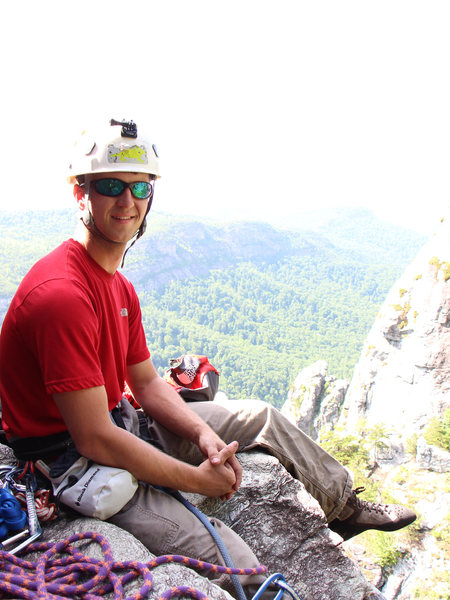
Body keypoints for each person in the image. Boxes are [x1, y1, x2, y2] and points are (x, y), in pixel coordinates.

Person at [0, 119, 416, 597]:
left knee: (260, 416)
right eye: (111, 186)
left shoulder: (118, 286)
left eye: (140, 188)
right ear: (81, 194)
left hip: (120, 422)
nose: (127, 202)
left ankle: (342, 507)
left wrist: (201, 431)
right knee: (235, 560)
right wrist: (197, 478)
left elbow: (149, 383)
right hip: (73, 462)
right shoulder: (62, 296)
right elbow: (96, 439)